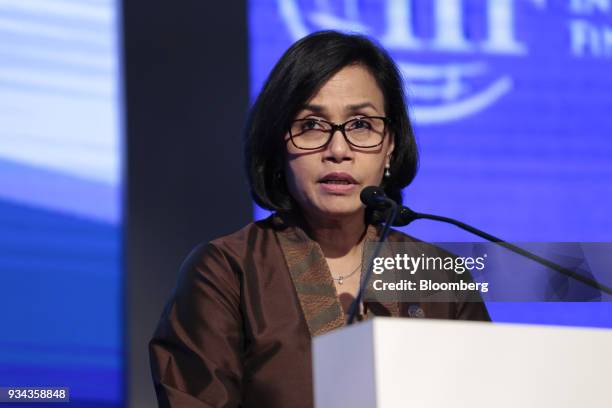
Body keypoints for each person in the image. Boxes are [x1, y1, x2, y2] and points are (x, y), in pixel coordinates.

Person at [149, 30, 490, 408]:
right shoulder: (227, 271)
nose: (338, 150)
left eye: (361, 124)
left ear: (390, 145)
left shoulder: (438, 274)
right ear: (278, 144)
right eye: (311, 125)